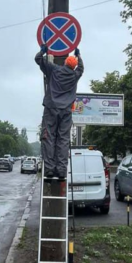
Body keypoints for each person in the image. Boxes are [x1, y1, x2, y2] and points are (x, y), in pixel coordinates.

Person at [35, 46, 84, 179]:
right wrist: (79, 56)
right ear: (73, 67)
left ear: (64, 63)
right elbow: (81, 69)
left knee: (49, 137)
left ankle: (50, 168)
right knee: (63, 140)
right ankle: (62, 170)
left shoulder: (54, 70)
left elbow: (38, 59)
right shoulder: (75, 75)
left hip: (51, 108)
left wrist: (43, 51)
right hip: (66, 111)